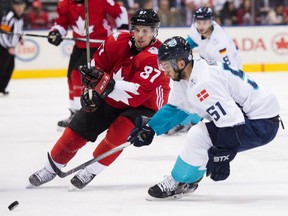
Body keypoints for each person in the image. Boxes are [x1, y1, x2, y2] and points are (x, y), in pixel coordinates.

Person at [28, 9, 170, 190]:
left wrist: (102, 85)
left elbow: (136, 95)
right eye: (137, 29)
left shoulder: (157, 55)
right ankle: (50, 168)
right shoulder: (116, 40)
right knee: (80, 124)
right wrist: (90, 92)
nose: (140, 35)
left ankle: (91, 170)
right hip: (111, 93)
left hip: (146, 104)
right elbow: (94, 69)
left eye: (146, 31)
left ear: (155, 32)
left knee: (120, 129)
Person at [129, 36, 281, 200]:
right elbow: (178, 108)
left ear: (180, 63)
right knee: (202, 136)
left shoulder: (203, 82)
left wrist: (222, 156)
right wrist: (151, 128)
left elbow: (231, 121)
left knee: (199, 136)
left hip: (261, 124)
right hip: (256, 116)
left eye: (166, 65)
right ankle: (188, 179)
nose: (163, 70)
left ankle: (179, 181)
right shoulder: (187, 74)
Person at [48, 0, 129, 130]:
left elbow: (120, 12)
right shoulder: (64, 4)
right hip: (80, 45)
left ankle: (81, 114)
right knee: (70, 77)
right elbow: (61, 23)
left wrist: (124, 30)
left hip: (100, 45)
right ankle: (75, 112)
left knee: (77, 74)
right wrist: (56, 32)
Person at [167, 6, 242, 135]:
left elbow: (230, 68)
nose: (201, 26)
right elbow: (186, 46)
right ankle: (185, 117)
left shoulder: (220, 43)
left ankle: (192, 120)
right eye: (199, 22)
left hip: (225, 69)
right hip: (207, 64)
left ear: (211, 21)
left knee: (207, 94)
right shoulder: (195, 29)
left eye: (205, 22)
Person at [0, 0, 26, 95]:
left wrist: (20, 38)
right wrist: (8, 47)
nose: (19, 8)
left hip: (10, 48)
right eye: (17, 6)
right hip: (3, 47)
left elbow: (16, 31)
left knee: (10, 68)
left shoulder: (20, 18)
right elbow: (2, 34)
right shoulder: (9, 17)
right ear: (14, 7)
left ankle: (2, 87)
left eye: (21, 6)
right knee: (2, 68)